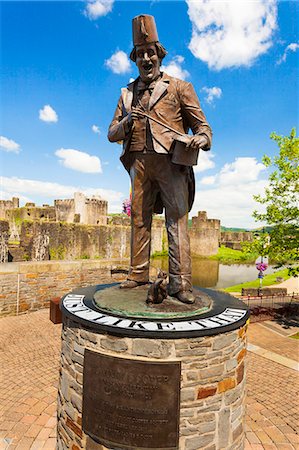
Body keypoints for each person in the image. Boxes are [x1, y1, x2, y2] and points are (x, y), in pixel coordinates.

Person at [108, 14, 212, 304]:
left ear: (159, 56)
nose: (146, 59)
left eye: (150, 53)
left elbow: (203, 128)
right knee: (139, 220)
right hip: (138, 164)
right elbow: (111, 133)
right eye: (140, 54)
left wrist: (201, 139)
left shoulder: (180, 87)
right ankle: (138, 273)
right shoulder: (126, 94)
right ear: (135, 59)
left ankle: (181, 283)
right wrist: (127, 122)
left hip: (172, 164)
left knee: (176, 221)